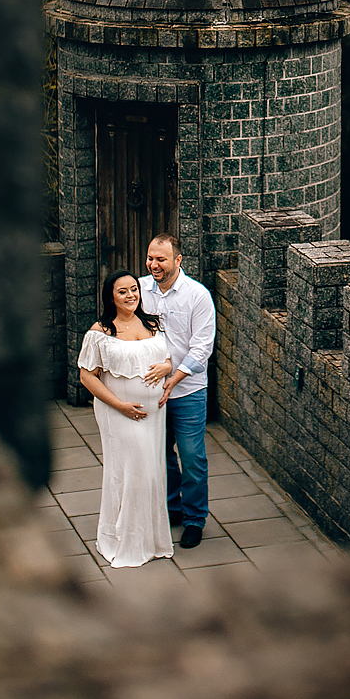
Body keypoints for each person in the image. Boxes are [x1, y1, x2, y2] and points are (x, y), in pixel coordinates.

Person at [77, 271, 174, 568]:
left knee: (152, 473)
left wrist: (166, 368)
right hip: (118, 413)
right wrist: (120, 405)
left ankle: (151, 540)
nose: (131, 295)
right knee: (133, 473)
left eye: (134, 289)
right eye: (123, 291)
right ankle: (126, 542)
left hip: (154, 413)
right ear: (111, 297)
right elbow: (86, 376)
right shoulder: (100, 332)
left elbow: (167, 358)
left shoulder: (153, 324)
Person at [140, 233, 217, 550]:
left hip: (188, 392)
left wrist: (174, 377)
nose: (153, 264)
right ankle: (172, 508)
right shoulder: (140, 290)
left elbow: (202, 349)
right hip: (151, 392)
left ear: (178, 260)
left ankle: (195, 520)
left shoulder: (198, 296)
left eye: (161, 259)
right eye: (150, 258)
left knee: (192, 457)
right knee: (161, 454)